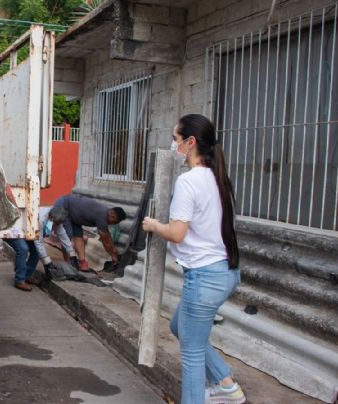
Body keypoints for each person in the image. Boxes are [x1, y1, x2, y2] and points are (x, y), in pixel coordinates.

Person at [142, 114, 245, 404]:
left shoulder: (189, 181)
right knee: (179, 327)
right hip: (225, 272)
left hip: (204, 277)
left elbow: (176, 232)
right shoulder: (218, 178)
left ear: (190, 143)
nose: (173, 146)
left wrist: (154, 226)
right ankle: (225, 384)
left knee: (191, 354)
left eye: (176, 140)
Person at [4, 206, 76, 291]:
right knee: (23, 249)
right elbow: (38, 242)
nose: (56, 226)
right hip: (13, 230)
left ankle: (27, 276)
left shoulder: (55, 219)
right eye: (57, 223)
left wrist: (72, 255)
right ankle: (19, 280)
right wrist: (47, 263)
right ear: (52, 218)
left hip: (26, 233)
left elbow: (63, 236)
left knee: (36, 251)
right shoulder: (41, 220)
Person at [53, 194, 126, 271]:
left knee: (78, 236)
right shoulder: (102, 216)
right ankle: (67, 264)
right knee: (67, 236)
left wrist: (114, 249)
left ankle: (82, 263)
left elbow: (108, 235)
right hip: (65, 207)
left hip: (75, 215)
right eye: (114, 222)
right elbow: (105, 240)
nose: (112, 224)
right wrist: (113, 255)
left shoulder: (106, 213)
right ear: (112, 216)